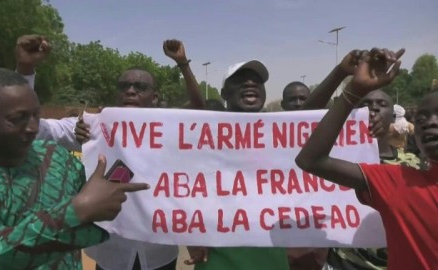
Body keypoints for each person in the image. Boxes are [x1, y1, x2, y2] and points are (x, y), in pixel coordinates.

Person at [0, 68, 149, 269]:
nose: (33, 127)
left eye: (35, 115)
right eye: (17, 118)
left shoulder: (56, 157)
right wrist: (73, 213)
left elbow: (105, 193)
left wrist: (118, 140)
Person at [296, 48, 438, 269]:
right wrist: (353, 90)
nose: (429, 122)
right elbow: (310, 158)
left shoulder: (409, 165)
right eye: (421, 118)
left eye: (381, 105)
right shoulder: (400, 182)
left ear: (394, 118)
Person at [76, 39, 205, 270]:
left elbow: (199, 113)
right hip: (111, 253)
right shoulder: (94, 127)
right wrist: (26, 72)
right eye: (124, 86)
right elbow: (42, 128)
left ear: (154, 97)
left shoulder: (169, 129)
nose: (131, 90)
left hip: (158, 251)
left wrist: (183, 64)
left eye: (140, 87)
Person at [184, 60, 290, 270]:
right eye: (240, 80)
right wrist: (191, 235)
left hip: (270, 255)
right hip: (217, 256)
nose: (250, 83)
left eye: (257, 81)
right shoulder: (203, 135)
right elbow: (181, 188)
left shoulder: (284, 134)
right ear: (224, 93)